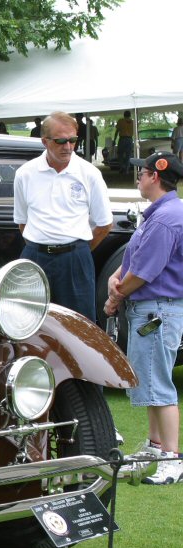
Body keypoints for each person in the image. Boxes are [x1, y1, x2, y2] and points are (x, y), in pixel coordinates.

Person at [104, 151, 183, 484]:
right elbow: (137, 259)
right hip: (155, 307)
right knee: (151, 382)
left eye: (142, 172)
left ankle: (172, 459)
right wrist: (118, 276)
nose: (138, 177)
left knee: (159, 385)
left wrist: (117, 294)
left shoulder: (165, 218)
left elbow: (146, 271)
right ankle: (155, 447)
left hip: (156, 308)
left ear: (155, 177)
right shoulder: (163, 214)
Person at [13, 111, 113, 321]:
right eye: (60, 141)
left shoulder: (89, 174)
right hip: (35, 257)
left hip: (75, 259)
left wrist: (76, 249)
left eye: (73, 140)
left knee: (80, 326)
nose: (68, 147)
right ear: (44, 141)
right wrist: (43, 245)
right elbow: (22, 221)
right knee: (26, 321)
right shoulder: (25, 174)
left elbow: (104, 225)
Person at [113, 110, 135, 174]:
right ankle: (127, 170)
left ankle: (122, 166)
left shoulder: (120, 121)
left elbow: (117, 131)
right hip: (130, 139)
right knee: (128, 155)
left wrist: (114, 139)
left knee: (120, 153)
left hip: (122, 139)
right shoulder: (133, 122)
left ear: (124, 115)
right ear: (130, 115)